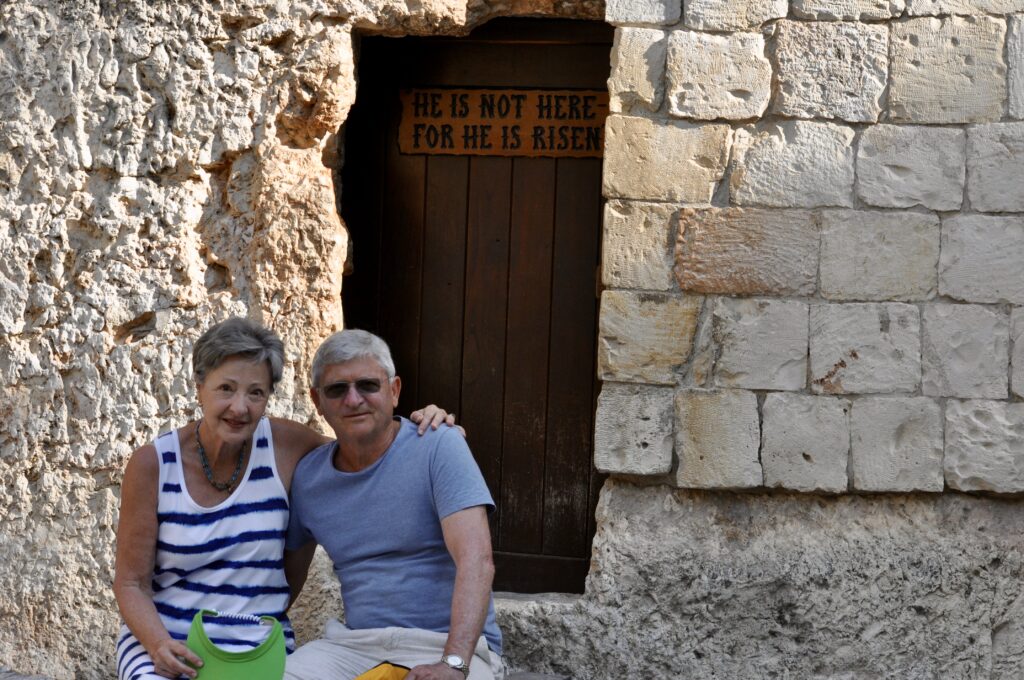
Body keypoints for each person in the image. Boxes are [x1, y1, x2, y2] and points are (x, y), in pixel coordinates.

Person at [113, 318, 455, 680]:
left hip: (258, 644)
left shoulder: (286, 445)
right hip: (167, 643)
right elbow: (131, 583)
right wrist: (158, 644)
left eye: (255, 393)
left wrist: (430, 432)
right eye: (226, 388)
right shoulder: (154, 464)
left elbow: (371, 453)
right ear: (199, 387)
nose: (240, 407)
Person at [283, 329, 503, 680]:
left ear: (394, 390)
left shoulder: (439, 445)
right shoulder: (309, 478)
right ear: (316, 400)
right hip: (354, 646)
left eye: (368, 385)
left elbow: (477, 561)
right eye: (337, 389)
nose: (353, 399)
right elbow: (285, 580)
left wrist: (453, 663)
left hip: (444, 644)